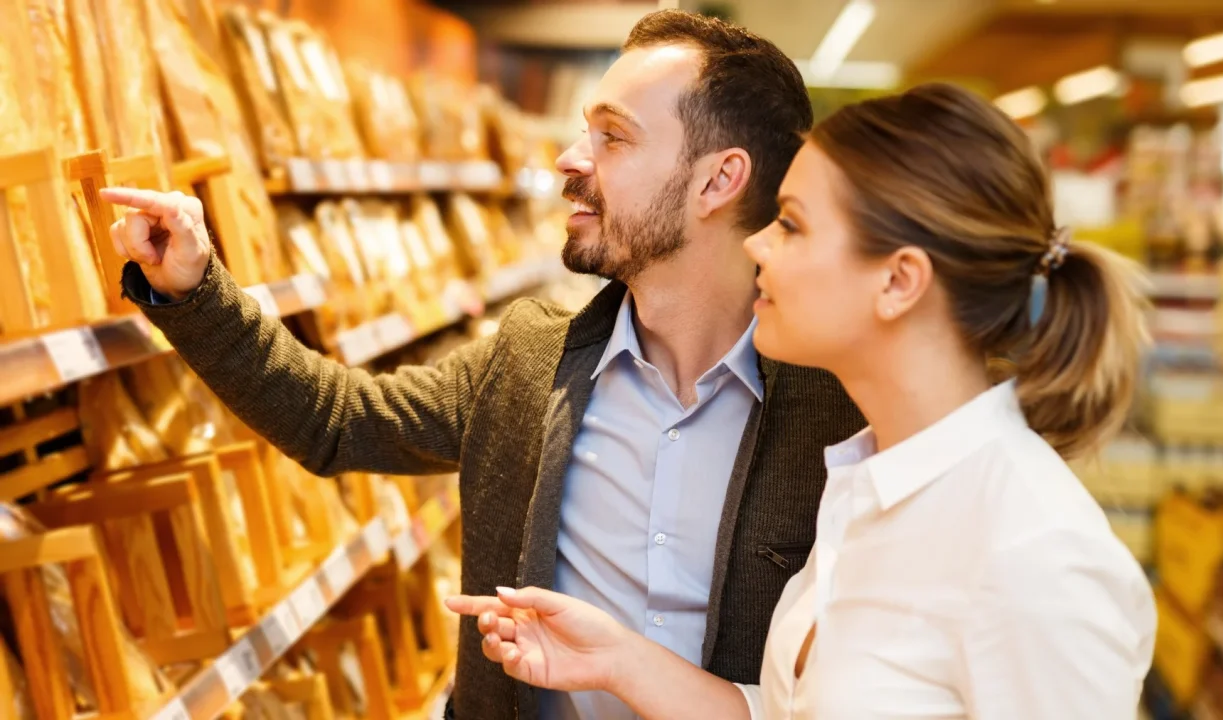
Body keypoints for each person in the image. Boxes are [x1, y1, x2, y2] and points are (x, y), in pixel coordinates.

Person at [99, 10, 864, 720]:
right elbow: (334, 420)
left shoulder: (844, 413)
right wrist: (195, 290)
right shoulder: (533, 362)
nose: (570, 159)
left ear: (718, 181)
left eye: (613, 138)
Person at [444, 83, 1159, 719]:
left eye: (792, 223)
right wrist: (620, 661)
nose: (757, 244)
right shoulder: (869, 485)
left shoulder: (1037, 555)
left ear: (899, 282)